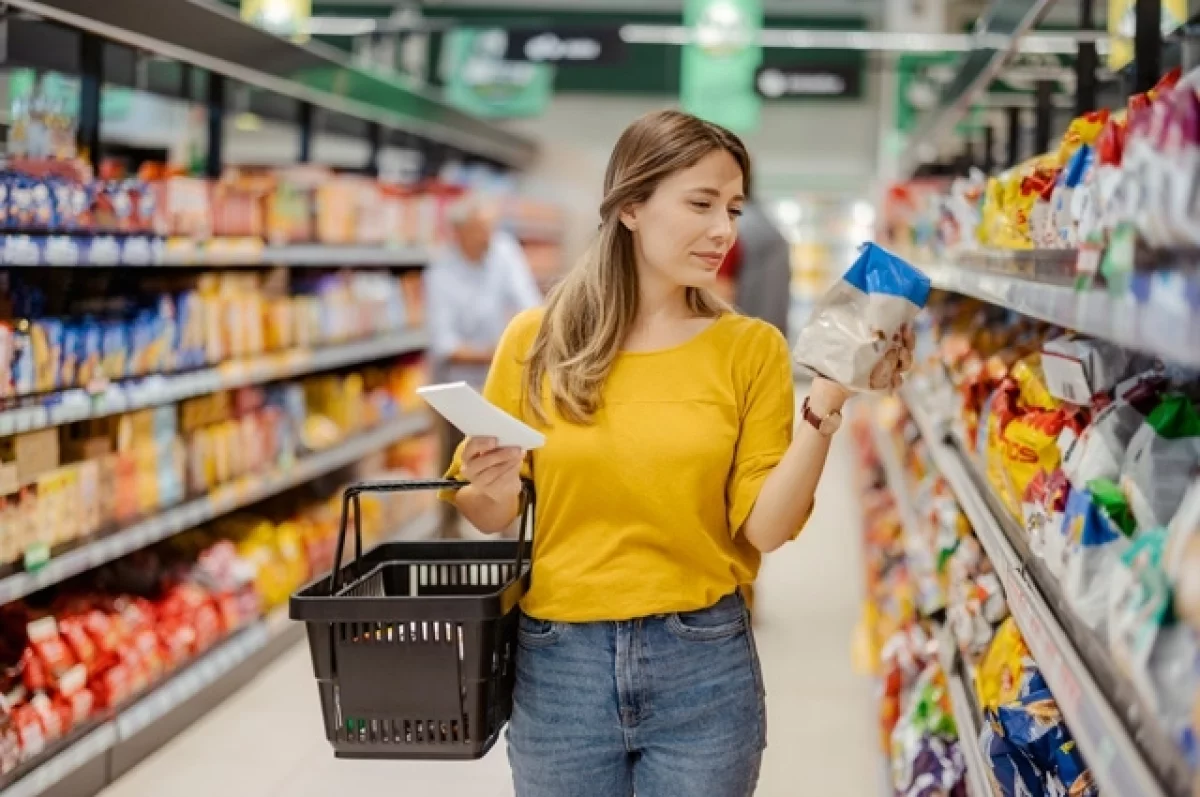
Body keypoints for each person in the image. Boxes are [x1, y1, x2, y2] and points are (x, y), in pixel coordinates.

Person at [443, 110, 912, 797]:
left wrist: (828, 403)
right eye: (701, 203)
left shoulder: (749, 348)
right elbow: (487, 512)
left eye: (733, 207)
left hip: (705, 664)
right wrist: (492, 485)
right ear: (630, 205)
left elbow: (766, 528)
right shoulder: (537, 339)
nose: (724, 229)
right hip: (560, 664)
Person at [425, 196, 542, 517]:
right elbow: (445, 345)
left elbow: (530, 308)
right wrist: (500, 352)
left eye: (491, 228)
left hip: (502, 385)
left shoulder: (503, 252)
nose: (488, 236)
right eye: (480, 229)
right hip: (459, 393)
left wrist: (518, 345)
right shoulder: (441, 273)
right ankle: (451, 542)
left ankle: (506, 541)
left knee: (507, 469)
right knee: (460, 473)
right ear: (458, 231)